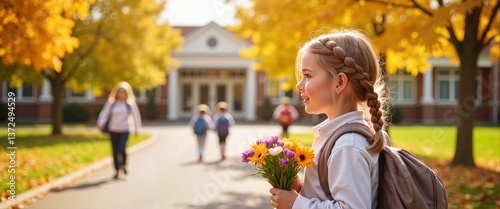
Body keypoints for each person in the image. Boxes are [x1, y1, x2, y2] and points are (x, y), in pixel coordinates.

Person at [269, 29, 391, 209]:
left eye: (308, 75)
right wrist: (303, 189)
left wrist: (297, 204)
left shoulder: (348, 144)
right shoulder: (337, 136)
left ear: (339, 82)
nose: (299, 85)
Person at [97, 81, 142, 179]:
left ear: (127, 93)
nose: (121, 94)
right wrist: (100, 123)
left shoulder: (130, 104)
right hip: (113, 129)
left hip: (125, 129)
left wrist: (137, 129)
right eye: (119, 92)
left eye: (123, 92)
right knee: (115, 150)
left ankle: (124, 165)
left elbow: (136, 117)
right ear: (116, 93)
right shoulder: (111, 103)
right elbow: (105, 113)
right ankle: (117, 170)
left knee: (122, 148)